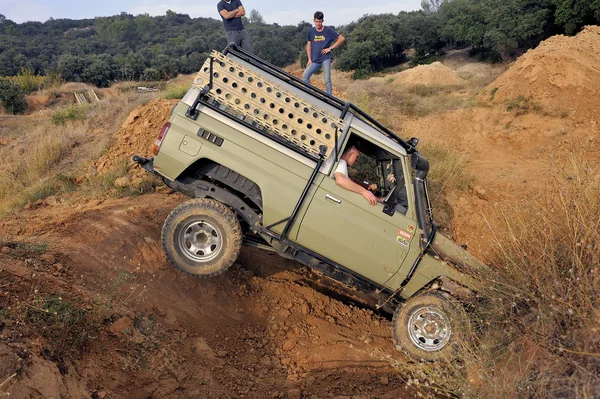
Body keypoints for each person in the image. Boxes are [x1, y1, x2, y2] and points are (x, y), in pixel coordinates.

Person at [303, 11, 345, 95]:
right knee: (305, 76)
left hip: (325, 58)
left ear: (322, 21)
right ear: (313, 21)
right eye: (316, 21)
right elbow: (309, 45)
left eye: (320, 21)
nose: (318, 24)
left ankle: (329, 98)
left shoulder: (328, 30)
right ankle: (311, 95)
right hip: (315, 59)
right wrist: (309, 59)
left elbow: (341, 38)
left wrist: (330, 48)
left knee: (327, 80)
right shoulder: (310, 31)